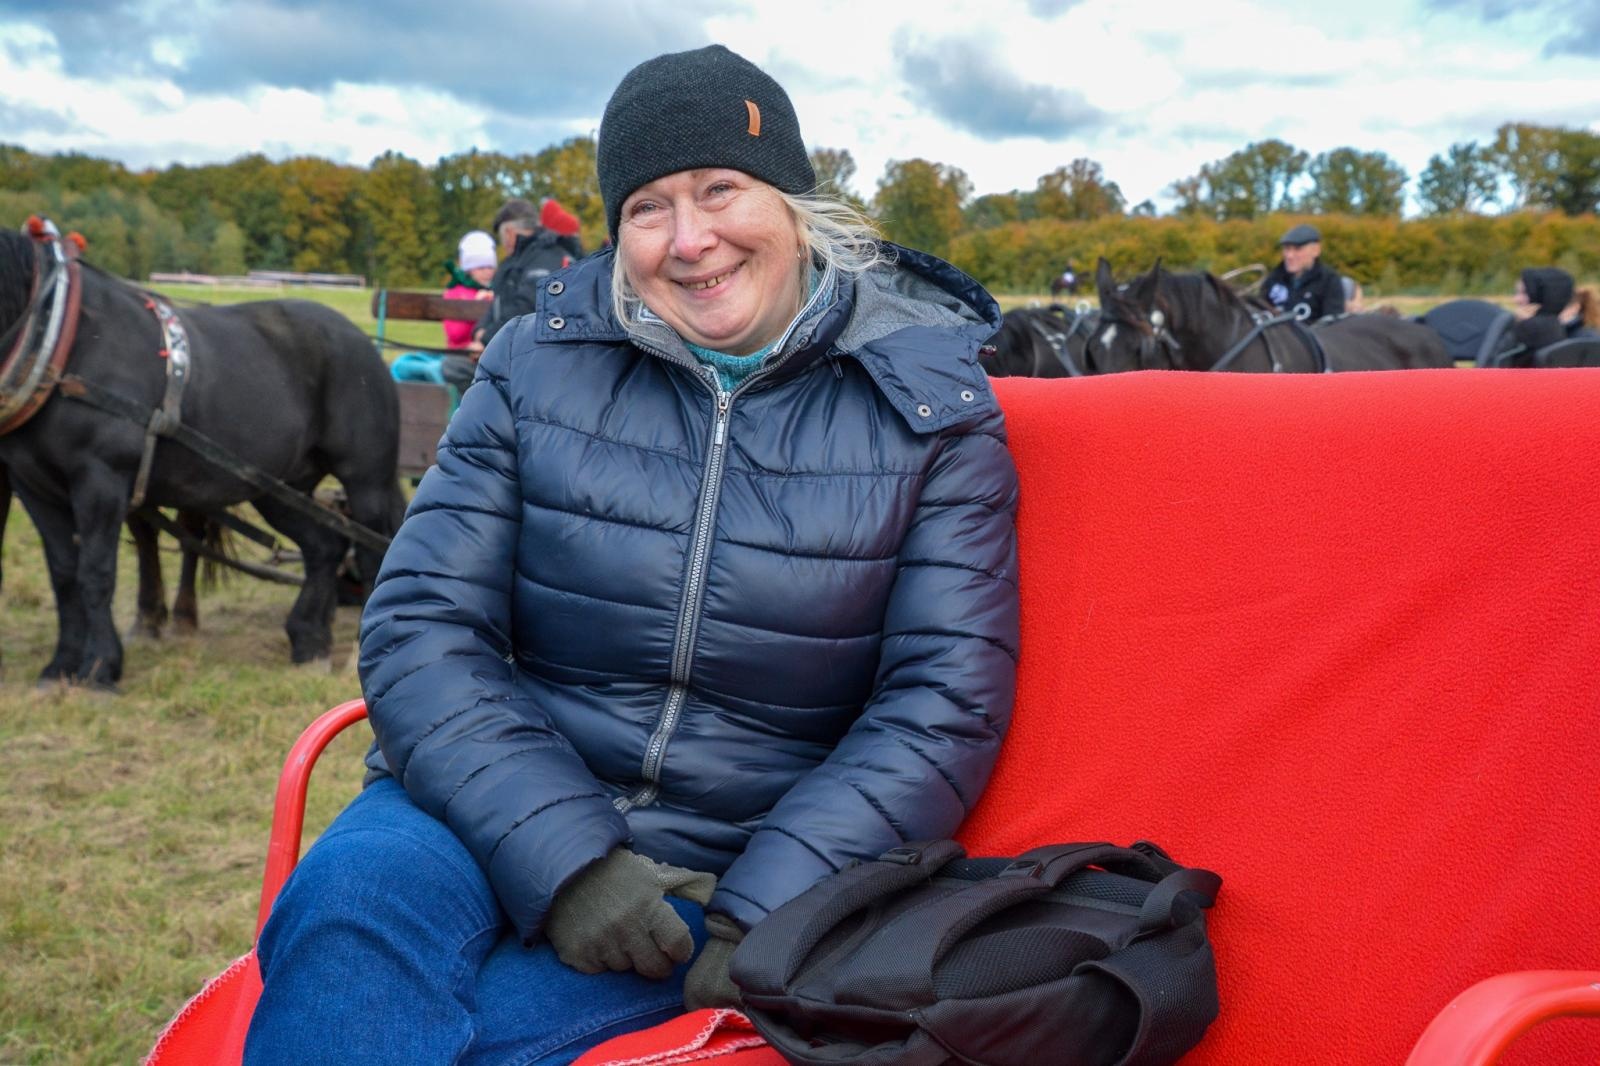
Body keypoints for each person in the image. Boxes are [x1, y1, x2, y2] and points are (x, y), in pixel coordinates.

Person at [245, 43, 1020, 1066]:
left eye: (719, 190)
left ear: (791, 201)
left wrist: (766, 906)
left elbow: (938, 699)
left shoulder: (931, 414)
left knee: (484, 1041)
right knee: (345, 920)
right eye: (647, 207)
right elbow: (422, 621)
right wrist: (568, 861)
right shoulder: (536, 363)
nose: (689, 239)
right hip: (469, 803)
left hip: (719, 866)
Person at [473, 197, 575, 346]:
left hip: (538, 353)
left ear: (508, 232)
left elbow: (526, 307)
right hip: (514, 349)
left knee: (451, 366)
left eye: (502, 237)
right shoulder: (523, 258)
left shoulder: (543, 257)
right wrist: (479, 330)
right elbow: (498, 303)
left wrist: (486, 339)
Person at [440, 229, 497, 390]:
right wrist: (475, 307)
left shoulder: (498, 290)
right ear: (469, 269)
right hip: (461, 355)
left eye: (490, 266)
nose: (487, 271)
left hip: (489, 354)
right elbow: (455, 335)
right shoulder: (455, 292)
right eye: (481, 267)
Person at [1259, 223, 1345, 321]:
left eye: (1297, 249)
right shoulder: (1274, 279)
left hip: (1312, 335)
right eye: (1287, 249)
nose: (1289, 256)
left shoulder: (1329, 280)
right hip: (1274, 335)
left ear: (1316, 250)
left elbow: (1333, 325)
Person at [1512, 267, 1574, 354]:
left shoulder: (1528, 328)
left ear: (1540, 296)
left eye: (1525, 293)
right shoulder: (1559, 327)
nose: (1515, 300)